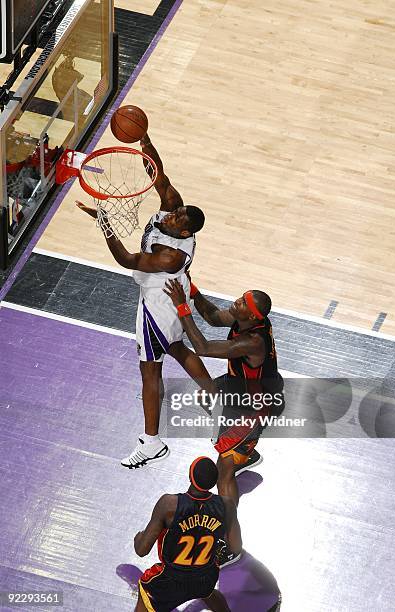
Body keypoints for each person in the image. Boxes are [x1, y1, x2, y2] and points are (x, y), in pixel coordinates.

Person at [78, 132, 213, 469]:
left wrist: (105, 222)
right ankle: (217, 397)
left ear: (185, 233)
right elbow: (159, 175)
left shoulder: (170, 256)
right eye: (176, 212)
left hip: (159, 300)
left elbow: (127, 259)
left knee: (150, 370)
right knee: (177, 348)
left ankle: (152, 441)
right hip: (165, 294)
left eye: (178, 219)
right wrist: (145, 141)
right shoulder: (172, 207)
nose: (172, 215)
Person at [164, 279, 285, 553]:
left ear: (252, 315)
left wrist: (181, 306)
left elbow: (203, 348)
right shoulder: (244, 319)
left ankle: (231, 544)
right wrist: (194, 293)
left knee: (223, 475)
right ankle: (247, 453)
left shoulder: (253, 341)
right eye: (241, 297)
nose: (237, 302)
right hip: (238, 387)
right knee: (205, 395)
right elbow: (213, 315)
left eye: (243, 303)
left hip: (253, 407)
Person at [134, 456, 242, 611]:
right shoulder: (227, 505)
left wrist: (139, 538)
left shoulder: (169, 504)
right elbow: (236, 547)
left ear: (190, 476)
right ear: (214, 480)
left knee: (146, 589)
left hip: (170, 580)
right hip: (205, 577)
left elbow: (141, 550)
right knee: (207, 591)